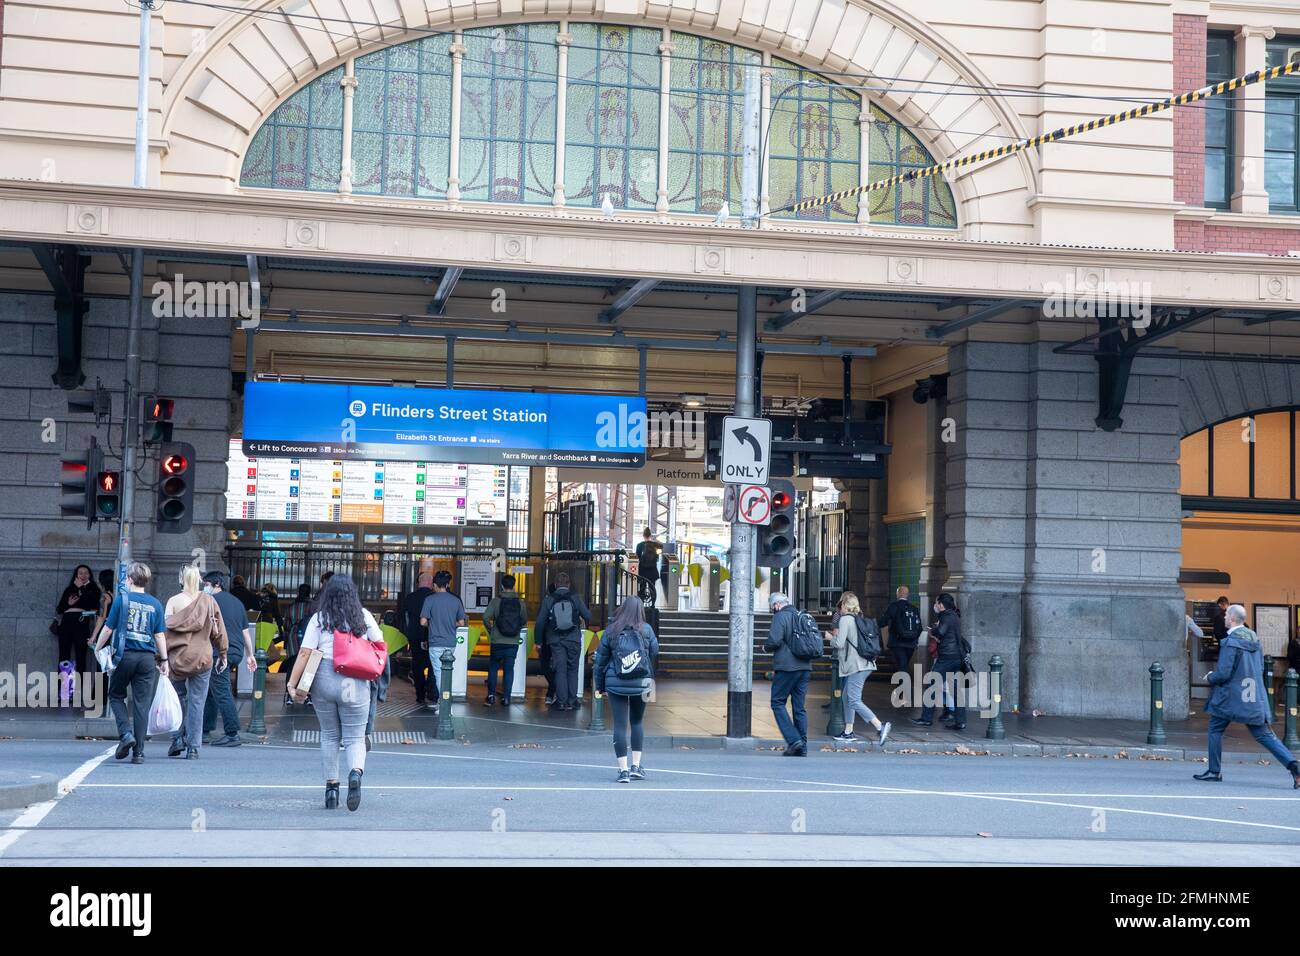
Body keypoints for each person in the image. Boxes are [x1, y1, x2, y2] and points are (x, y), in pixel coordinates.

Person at [287, 574, 384, 811]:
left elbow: (305, 652)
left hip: (325, 679)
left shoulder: (319, 618)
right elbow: (380, 643)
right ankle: (355, 774)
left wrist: (292, 683)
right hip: (356, 681)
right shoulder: (364, 616)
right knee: (355, 737)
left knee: (330, 735)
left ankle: (331, 789)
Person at [1194, 604, 1300, 788]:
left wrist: (1211, 677)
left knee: (1215, 729)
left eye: (1227, 614)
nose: (1225, 617)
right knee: (1264, 735)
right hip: (1252, 697)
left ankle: (1214, 771)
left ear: (1233, 619)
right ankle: (1294, 766)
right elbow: (1258, 668)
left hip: (1229, 697)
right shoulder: (1254, 640)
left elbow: (1224, 673)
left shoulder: (1230, 642)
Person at [95, 562, 167, 764]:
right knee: (141, 705)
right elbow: (160, 635)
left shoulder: (121, 600)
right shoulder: (155, 604)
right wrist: (165, 660)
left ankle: (126, 734)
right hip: (146, 659)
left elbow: (108, 629)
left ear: (129, 579)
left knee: (116, 695)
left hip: (124, 656)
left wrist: (98, 648)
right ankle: (139, 753)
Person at [164, 565, 229, 759]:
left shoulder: (173, 601)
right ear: (199, 580)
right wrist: (223, 654)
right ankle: (193, 747)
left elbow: (164, 632)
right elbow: (220, 631)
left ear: (181, 579)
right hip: (203, 657)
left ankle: (177, 737)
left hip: (178, 658)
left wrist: (161, 658)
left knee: (177, 699)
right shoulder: (209, 601)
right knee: (197, 701)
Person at [593, 596, 659, 782]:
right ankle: (636, 766)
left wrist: (601, 686)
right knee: (637, 722)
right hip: (643, 683)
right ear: (640, 610)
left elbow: (600, 661)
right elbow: (655, 651)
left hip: (616, 682)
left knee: (620, 725)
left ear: (622, 609)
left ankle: (623, 771)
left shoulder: (611, 630)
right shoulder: (646, 629)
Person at [828, 592, 891, 745]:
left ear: (845, 606)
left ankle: (880, 726)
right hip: (864, 664)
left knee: (854, 700)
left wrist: (830, 638)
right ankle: (848, 731)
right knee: (846, 697)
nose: (840, 607)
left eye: (841, 604)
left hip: (857, 666)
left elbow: (840, 643)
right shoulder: (858, 619)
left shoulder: (845, 620)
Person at [201, 570, 255, 747]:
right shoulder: (237, 603)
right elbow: (245, 632)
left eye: (207, 584)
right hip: (236, 651)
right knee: (211, 689)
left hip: (219, 652)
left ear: (217, 584)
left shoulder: (210, 601)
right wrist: (250, 655)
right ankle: (205, 729)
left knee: (222, 691)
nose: (204, 588)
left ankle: (232, 733)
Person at [765, 591, 813, 756]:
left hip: (786, 667)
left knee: (777, 702)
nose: (773, 609)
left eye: (772, 606)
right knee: (799, 707)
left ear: (777, 605)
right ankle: (803, 747)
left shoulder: (780, 617)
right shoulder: (801, 615)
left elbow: (775, 640)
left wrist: (765, 647)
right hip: (805, 667)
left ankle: (794, 741)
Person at [912, 593, 968, 731]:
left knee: (932, 685)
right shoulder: (954, 615)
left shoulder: (946, 616)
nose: (935, 606)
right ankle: (960, 721)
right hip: (956, 657)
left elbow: (941, 632)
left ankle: (926, 718)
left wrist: (933, 631)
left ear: (941, 605)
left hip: (946, 657)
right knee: (955, 689)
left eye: (937, 603)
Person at [536, 572, 591, 711]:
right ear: (569, 584)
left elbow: (540, 622)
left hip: (555, 640)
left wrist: (538, 641)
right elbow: (588, 615)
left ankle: (561, 701)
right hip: (573, 638)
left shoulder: (549, 599)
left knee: (560, 670)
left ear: (555, 585)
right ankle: (573, 701)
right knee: (573, 669)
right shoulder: (576, 598)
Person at [419, 570, 466, 709]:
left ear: (434, 585)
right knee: (447, 672)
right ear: (448, 584)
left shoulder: (430, 599)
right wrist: (451, 623)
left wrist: (432, 624)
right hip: (451, 643)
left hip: (435, 643)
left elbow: (422, 622)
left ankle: (445, 706)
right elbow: (461, 623)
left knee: (439, 673)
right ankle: (442, 702)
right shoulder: (455, 600)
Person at [482, 574, 525, 706]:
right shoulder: (520, 602)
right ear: (514, 585)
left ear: (502, 586)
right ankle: (506, 698)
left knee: (493, 667)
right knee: (509, 669)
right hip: (512, 642)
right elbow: (523, 620)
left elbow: (485, 617)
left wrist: (492, 631)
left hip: (497, 641)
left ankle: (491, 696)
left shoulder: (496, 601)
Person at [54, 564, 100, 681]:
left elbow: (93, 604)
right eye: (80, 573)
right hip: (67, 621)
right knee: (64, 656)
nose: (83, 575)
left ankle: (78, 690)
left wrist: (82, 588)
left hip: (81, 621)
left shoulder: (93, 588)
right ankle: (64, 691)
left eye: (86, 573)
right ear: (76, 575)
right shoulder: (69, 589)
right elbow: (59, 609)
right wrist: (68, 604)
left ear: (90, 575)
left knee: (81, 656)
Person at [402, 572, 435, 707]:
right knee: (433, 665)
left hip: (414, 637)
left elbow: (405, 618)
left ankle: (420, 695)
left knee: (417, 665)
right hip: (431, 637)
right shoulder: (434, 597)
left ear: (419, 582)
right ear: (430, 583)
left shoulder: (410, 597)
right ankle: (431, 691)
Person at [877, 585, 923, 676]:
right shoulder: (914, 608)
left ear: (897, 594)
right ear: (907, 595)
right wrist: (913, 637)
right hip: (911, 644)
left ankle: (906, 689)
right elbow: (920, 628)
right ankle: (901, 688)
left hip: (897, 643)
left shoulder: (893, 606)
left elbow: (882, 622)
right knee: (903, 666)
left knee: (902, 666)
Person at [539, 581, 557, 704]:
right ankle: (553, 692)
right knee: (559, 668)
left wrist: (538, 641)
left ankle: (551, 692)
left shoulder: (547, 601)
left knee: (545, 666)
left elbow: (540, 622)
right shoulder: (571, 600)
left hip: (547, 639)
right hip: (561, 640)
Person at [634, 528, 660, 607]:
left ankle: (641, 605)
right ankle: (653, 605)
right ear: (650, 535)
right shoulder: (656, 545)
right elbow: (658, 557)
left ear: (643, 535)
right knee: (652, 588)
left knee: (642, 587)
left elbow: (637, 557)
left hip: (643, 570)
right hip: (652, 570)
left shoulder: (639, 545)